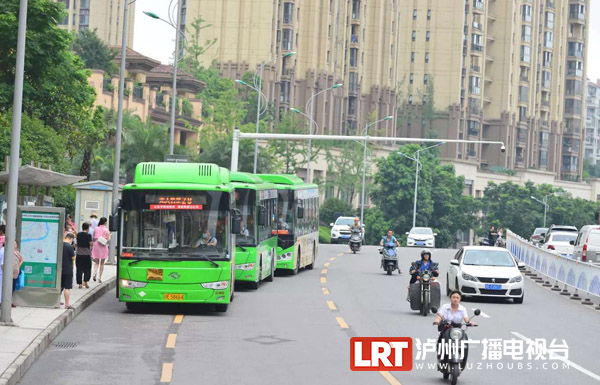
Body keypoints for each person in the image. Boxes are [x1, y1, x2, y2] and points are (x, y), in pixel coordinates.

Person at [433, 290, 475, 369]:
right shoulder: (445, 307)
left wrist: (470, 323)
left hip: (457, 330)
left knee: (464, 342)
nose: (455, 299)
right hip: (446, 328)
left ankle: (463, 359)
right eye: (454, 297)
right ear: (450, 298)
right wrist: (437, 321)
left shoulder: (462, 309)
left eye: (457, 298)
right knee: (441, 341)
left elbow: (466, 319)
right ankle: (440, 357)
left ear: (460, 299)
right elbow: (439, 316)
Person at [91, 217, 111, 283]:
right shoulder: (106, 230)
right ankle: (99, 277)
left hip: (96, 244)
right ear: (105, 222)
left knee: (96, 262)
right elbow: (108, 239)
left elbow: (93, 237)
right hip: (103, 245)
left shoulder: (96, 229)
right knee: (102, 263)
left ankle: (94, 273)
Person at [76, 223, 93, 289]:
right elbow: (90, 244)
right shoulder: (88, 235)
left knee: (79, 269)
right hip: (86, 254)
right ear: (88, 228)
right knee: (87, 269)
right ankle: (85, 281)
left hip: (79, 253)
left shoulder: (78, 234)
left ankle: (80, 284)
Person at [62, 233, 76, 309]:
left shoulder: (60, 245)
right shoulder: (70, 247)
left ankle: (57, 301)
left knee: (60, 286)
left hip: (60, 269)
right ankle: (67, 304)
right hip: (68, 269)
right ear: (71, 239)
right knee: (67, 287)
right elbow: (73, 258)